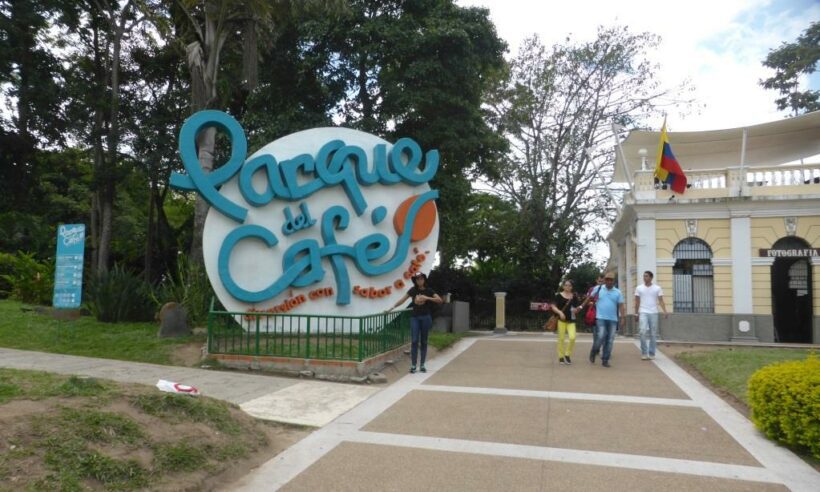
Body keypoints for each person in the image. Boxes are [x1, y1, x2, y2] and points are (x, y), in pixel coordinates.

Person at [386, 271, 442, 373]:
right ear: (415, 281)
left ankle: (422, 365)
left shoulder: (429, 290)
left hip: (426, 318)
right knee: (414, 340)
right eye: (417, 279)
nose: (419, 280)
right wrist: (391, 308)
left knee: (424, 341)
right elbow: (402, 300)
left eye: (421, 278)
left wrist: (426, 298)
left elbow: (439, 300)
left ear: (424, 280)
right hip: (415, 318)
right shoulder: (413, 290)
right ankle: (413, 365)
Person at [588, 271, 625, 368]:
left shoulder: (618, 292)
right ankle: (594, 350)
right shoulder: (598, 289)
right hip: (600, 317)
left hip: (613, 319)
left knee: (610, 340)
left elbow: (621, 305)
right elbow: (589, 298)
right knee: (600, 336)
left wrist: (622, 318)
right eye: (607, 280)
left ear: (613, 281)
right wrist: (585, 305)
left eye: (611, 280)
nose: (609, 282)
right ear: (604, 280)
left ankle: (605, 359)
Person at [634, 270, 668, 360]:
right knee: (642, 332)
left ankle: (651, 353)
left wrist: (665, 311)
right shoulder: (639, 288)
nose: (645, 278)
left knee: (653, 334)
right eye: (644, 276)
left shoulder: (657, 288)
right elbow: (637, 302)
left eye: (646, 276)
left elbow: (661, 300)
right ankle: (644, 353)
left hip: (653, 312)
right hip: (643, 312)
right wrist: (636, 313)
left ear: (651, 277)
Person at [551, 279, 582, 365]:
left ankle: (567, 354)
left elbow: (577, 307)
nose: (568, 287)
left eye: (570, 285)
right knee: (561, 339)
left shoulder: (574, 296)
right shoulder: (558, 296)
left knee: (572, 337)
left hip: (571, 321)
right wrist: (560, 312)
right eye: (566, 285)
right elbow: (553, 306)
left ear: (572, 287)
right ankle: (561, 356)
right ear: (563, 286)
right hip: (561, 320)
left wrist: (576, 310)